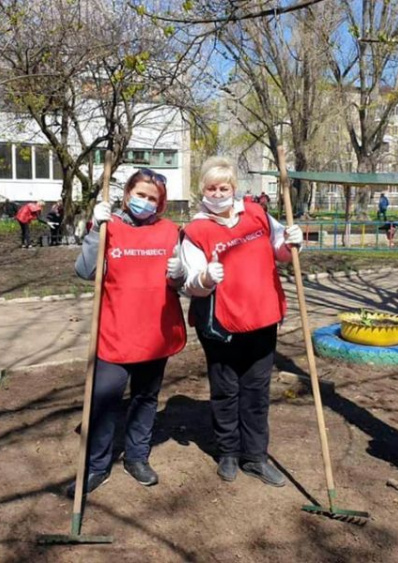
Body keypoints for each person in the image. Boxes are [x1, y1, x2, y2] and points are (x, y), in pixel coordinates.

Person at [180, 156, 303, 487]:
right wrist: (205, 277)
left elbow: (279, 249)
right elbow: (189, 281)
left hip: (263, 318)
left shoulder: (257, 214)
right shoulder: (195, 230)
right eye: (211, 187)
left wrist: (291, 241)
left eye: (224, 187)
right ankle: (229, 453)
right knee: (226, 391)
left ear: (234, 188)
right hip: (222, 325)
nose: (218, 193)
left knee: (257, 391)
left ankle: (256, 457)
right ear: (202, 190)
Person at [69, 168, 187, 497]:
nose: (145, 202)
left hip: (155, 333)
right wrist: (96, 229)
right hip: (115, 332)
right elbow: (85, 271)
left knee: (145, 399)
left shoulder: (170, 232)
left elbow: (183, 283)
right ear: (126, 195)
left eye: (153, 198)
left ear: (161, 203)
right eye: (141, 195)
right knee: (104, 399)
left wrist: (180, 275)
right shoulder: (112, 227)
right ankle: (95, 465)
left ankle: (136, 457)